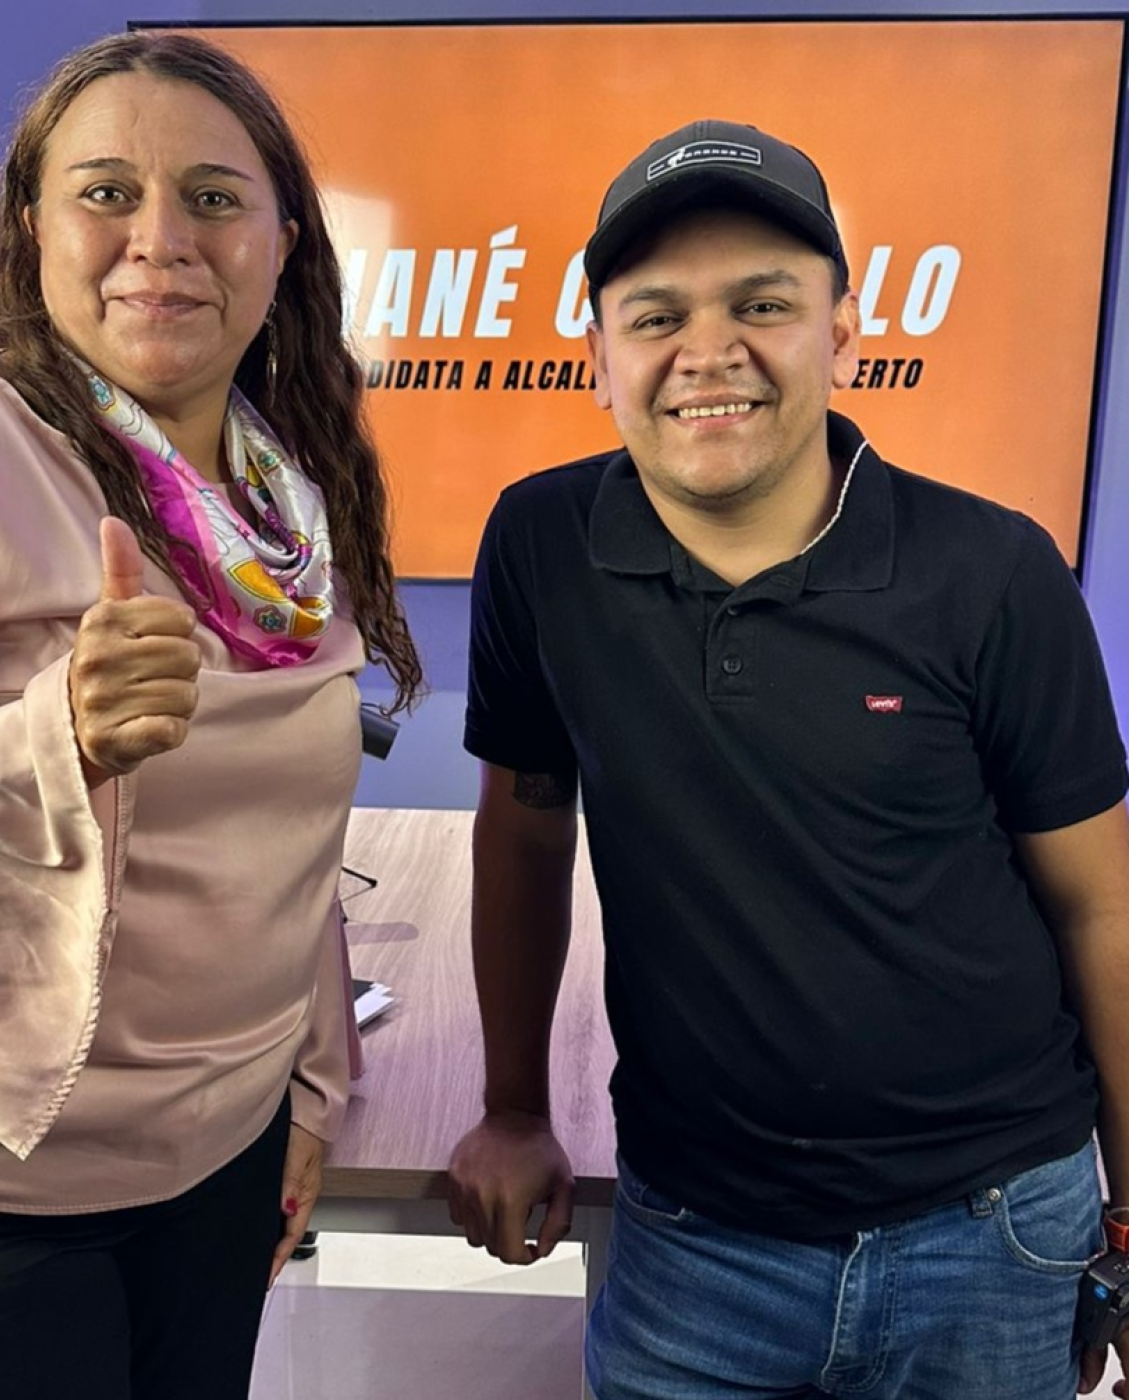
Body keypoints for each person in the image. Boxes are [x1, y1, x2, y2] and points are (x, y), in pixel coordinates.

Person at [0, 30, 420, 1400]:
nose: (161, 239)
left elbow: (285, 855)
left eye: (213, 198)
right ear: (34, 226)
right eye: (107, 192)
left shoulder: (289, 503)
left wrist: (306, 1085)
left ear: (285, 242)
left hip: (206, 1172)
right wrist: (49, 741)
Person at [447, 118, 1129, 1399]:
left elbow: (1102, 905)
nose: (707, 351)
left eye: (761, 304)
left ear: (842, 331)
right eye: (656, 315)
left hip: (989, 1231)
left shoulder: (990, 570)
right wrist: (514, 1104)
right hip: (692, 1239)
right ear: (596, 356)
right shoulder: (541, 547)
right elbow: (525, 829)